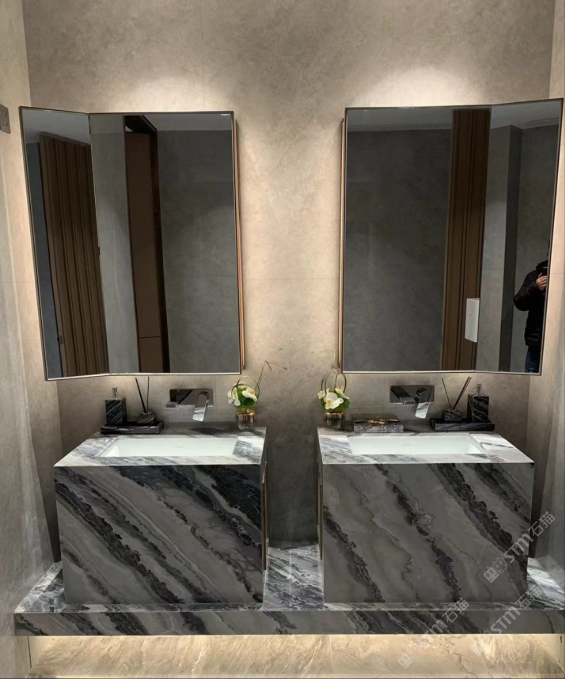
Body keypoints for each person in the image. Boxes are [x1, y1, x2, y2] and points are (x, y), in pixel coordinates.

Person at [513, 260, 548, 372]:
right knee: (531, 379)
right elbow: (520, 303)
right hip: (537, 342)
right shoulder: (535, 275)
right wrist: (535, 287)